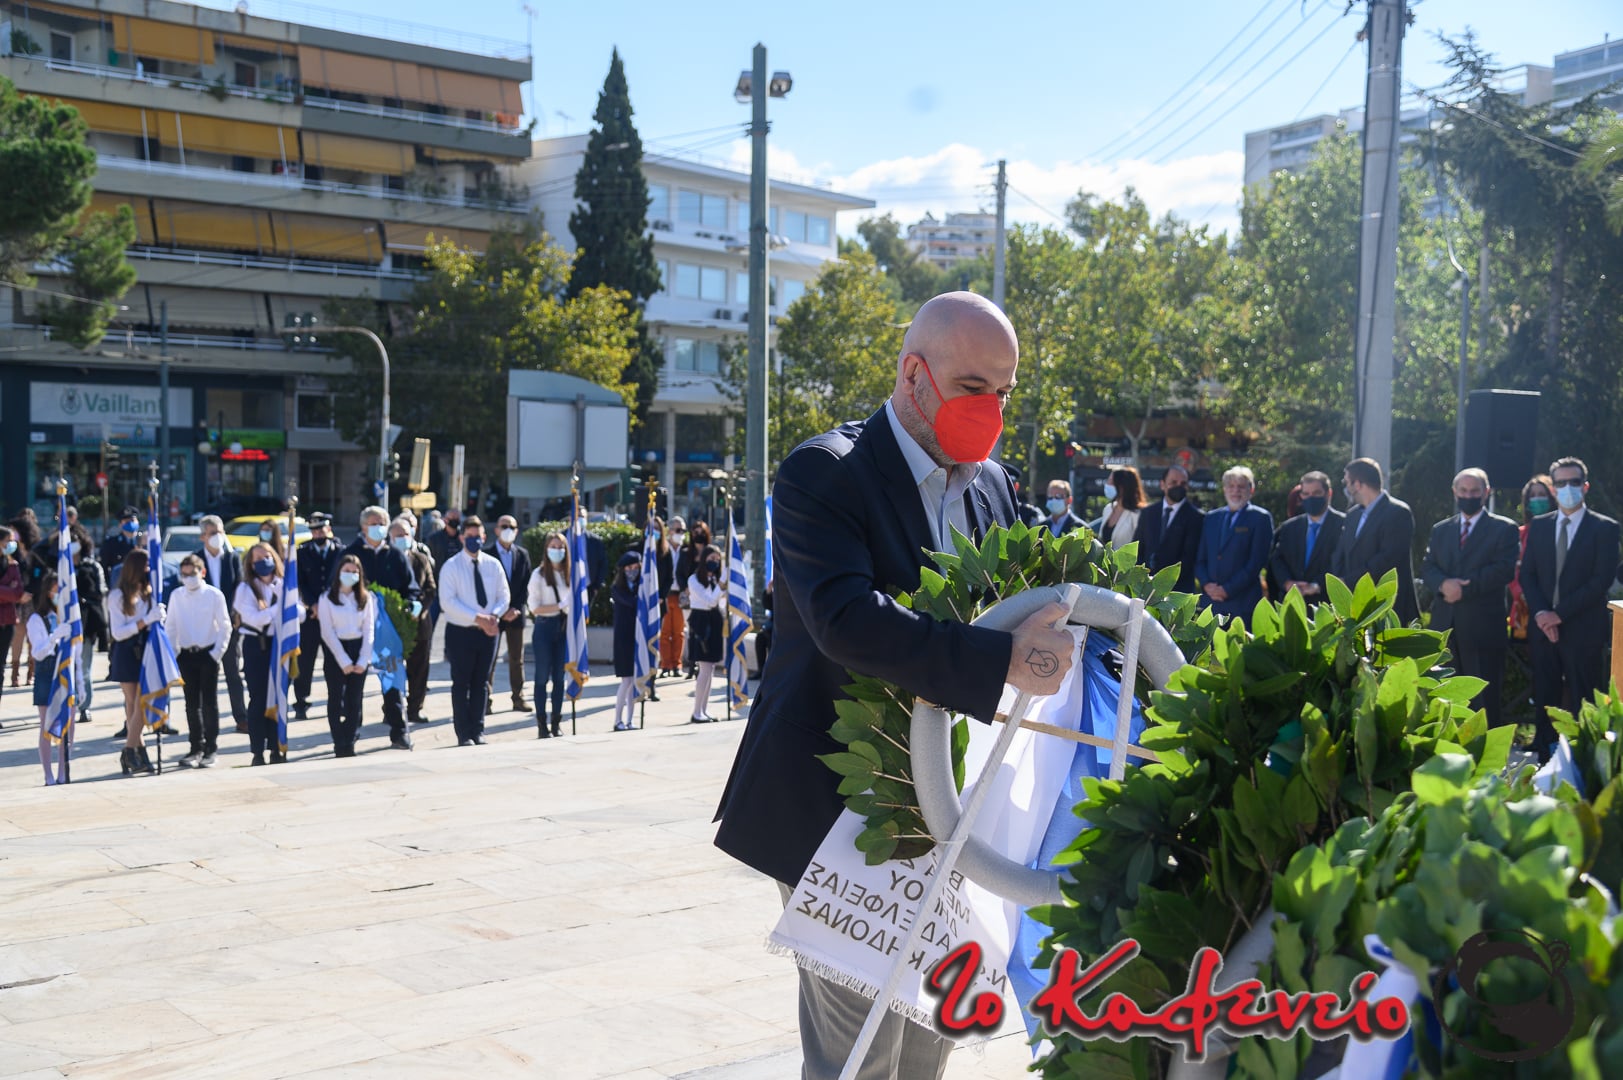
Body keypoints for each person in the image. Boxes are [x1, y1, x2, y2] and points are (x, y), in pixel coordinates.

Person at [711, 291, 1075, 1080]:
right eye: (973, 387)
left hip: (949, 812)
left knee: (924, 1042)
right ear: (914, 374)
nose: (990, 410)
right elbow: (846, 621)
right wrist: (998, 661)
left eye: (1004, 392)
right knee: (859, 1053)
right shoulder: (824, 473)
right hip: (834, 809)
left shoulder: (992, 485)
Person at [1519, 457, 1621, 760]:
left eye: (1573, 482)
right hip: (1543, 630)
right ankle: (1545, 762)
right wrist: (1542, 614)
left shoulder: (1604, 528)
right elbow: (1528, 575)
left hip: (1583, 630)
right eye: (1560, 483)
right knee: (1545, 698)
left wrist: (1558, 614)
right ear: (1553, 488)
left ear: (1585, 486)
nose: (1567, 488)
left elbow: (1600, 580)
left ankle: (1583, 761)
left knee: (1583, 700)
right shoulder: (1540, 526)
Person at [1420, 468, 1519, 728]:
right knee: (1444, 696)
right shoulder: (1441, 530)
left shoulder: (1504, 529)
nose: (1468, 496)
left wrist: (1465, 588)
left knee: (1483, 700)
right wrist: (1443, 584)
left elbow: (1504, 570)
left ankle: (1484, 749)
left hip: (1483, 628)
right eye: (1463, 491)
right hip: (1445, 625)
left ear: (1486, 493)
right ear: (1455, 492)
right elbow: (1428, 567)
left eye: (1475, 491)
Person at [344, 505, 419, 747]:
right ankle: (350, 734)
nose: (379, 528)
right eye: (374, 523)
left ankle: (399, 730)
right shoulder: (351, 554)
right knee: (354, 685)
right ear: (364, 527)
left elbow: (411, 587)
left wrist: (412, 604)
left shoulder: (395, 555)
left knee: (392, 680)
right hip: (357, 630)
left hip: (388, 633)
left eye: (382, 523)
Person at [439, 516, 508, 746]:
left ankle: (478, 730)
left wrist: (494, 616)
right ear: (461, 538)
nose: (474, 540)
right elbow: (448, 602)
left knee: (481, 682)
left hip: (488, 632)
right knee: (461, 683)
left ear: (484, 537)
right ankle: (463, 733)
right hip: (461, 632)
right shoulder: (451, 567)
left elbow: (503, 595)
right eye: (469, 536)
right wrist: (478, 618)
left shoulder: (493, 565)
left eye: (477, 536)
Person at [234, 542, 300, 766]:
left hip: (280, 646)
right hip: (256, 647)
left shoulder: (283, 584)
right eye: (258, 559)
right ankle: (257, 751)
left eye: (267, 556)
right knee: (259, 699)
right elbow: (255, 619)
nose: (264, 562)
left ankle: (277, 747)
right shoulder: (245, 589)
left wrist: (283, 603)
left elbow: (299, 613)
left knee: (279, 697)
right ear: (251, 564)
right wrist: (280, 608)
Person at [1331, 457, 1419, 625]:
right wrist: (1339, 582)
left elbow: (1388, 559)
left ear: (1358, 484)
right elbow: (1340, 553)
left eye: (1347, 482)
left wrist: (1349, 581)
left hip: (1386, 605)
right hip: (1354, 605)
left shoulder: (1398, 513)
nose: (1346, 488)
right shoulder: (1352, 515)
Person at [168, 554, 232, 768]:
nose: (188, 578)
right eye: (184, 574)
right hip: (186, 654)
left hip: (208, 653)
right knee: (191, 703)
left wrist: (216, 653)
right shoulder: (177, 595)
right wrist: (174, 654)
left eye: (192, 573)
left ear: (202, 572)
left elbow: (225, 626)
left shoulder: (214, 595)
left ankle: (211, 747)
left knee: (209, 703)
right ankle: (196, 746)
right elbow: (171, 626)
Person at [1195, 466, 1273, 622]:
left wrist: (1227, 590)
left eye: (1241, 486)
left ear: (1251, 490)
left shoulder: (1260, 518)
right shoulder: (1211, 518)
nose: (1235, 491)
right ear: (1224, 489)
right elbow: (1200, 559)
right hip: (1211, 604)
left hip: (1242, 604)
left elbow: (1256, 562)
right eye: (1231, 486)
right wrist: (1206, 584)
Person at [109, 549, 163, 776]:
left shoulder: (150, 593)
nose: (149, 569)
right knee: (132, 702)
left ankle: (130, 750)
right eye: (146, 565)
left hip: (147, 650)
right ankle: (137, 751)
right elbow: (118, 632)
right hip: (127, 650)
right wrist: (144, 621)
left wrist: (158, 619)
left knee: (142, 701)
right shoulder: (117, 596)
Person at [318, 554, 374, 758]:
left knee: (354, 699)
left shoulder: (366, 598)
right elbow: (327, 631)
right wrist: (343, 660)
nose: (350, 575)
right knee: (335, 698)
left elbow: (369, 630)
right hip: (336, 650)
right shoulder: (327, 598)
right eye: (346, 571)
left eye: (354, 572)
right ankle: (338, 741)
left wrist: (363, 660)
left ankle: (349, 742)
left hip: (358, 648)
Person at [196, 516, 247, 733]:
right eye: (212, 533)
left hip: (229, 626)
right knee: (205, 677)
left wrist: (236, 613)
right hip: (205, 628)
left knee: (233, 673)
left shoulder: (232, 558)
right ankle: (205, 723)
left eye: (220, 532)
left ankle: (241, 718)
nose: (218, 537)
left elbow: (240, 587)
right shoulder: (196, 560)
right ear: (203, 537)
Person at [1268, 470, 1344, 608]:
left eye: (1316, 493)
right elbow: (1277, 559)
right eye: (1306, 494)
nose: (1311, 498)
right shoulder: (1289, 527)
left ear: (1328, 493)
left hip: (1327, 604)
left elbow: (1343, 562)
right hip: (1293, 602)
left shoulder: (1344, 525)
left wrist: (1317, 585)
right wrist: (1287, 583)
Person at [293, 512, 343, 720]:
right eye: (314, 531)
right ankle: (301, 701)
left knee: (334, 660)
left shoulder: (340, 551)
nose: (318, 534)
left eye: (321, 530)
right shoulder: (302, 552)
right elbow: (299, 582)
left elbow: (341, 580)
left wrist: (326, 606)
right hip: (311, 615)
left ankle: (337, 700)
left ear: (329, 529)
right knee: (305, 661)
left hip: (333, 614)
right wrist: (313, 604)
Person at [390, 517, 436, 731]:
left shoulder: (421, 559)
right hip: (393, 625)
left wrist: (420, 609)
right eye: (398, 535)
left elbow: (430, 588)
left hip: (419, 623)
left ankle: (415, 708)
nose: (403, 538)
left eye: (406, 534)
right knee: (392, 669)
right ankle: (391, 709)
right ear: (391, 538)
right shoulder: (386, 558)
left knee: (419, 668)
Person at [26, 573, 73, 784]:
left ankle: (63, 770)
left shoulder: (68, 617)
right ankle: (48, 774)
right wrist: (54, 637)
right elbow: (38, 652)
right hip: (46, 673)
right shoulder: (37, 619)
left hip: (64, 672)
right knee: (46, 725)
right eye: (55, 590)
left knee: (66, 726)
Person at [485, 514, 533, 714]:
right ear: (496, 529)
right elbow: (486, 586)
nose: (508, 530)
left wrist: (515, 607)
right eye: (504, 526)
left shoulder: (522, 555)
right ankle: (485, 700)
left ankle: (518, 698)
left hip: (515, 614)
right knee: (489, 658)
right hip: (494, 614)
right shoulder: (487, 555)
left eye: (512, 527)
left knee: (516, 659)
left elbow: (526, 585)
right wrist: (501, 610)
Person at [527, 530, 571, 738]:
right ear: (546, 549)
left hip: (563, 628)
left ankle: (556, 722)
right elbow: (534, 607)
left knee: (560, 679)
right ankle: (541, 724)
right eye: (553, 547)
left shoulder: (569, 573)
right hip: (545, 626)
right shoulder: (539, 574)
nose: (557, 551)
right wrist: (559, 605)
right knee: (542, 677)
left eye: (561, 547)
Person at [1136, 464, 1203, 593]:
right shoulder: (1148, 513)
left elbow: (1189, 558)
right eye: (1173, 482)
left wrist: (1164, 582)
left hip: (1177, 590)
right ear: (1163, 484)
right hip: (1145, 588)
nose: (1179, 486)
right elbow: (1139, 548)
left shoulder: (1196, 517)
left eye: (1183, 483)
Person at [1508, 475, 1554, 641]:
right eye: (1532, 496)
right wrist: (1521, 592)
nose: (1537, 499)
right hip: (1524, 609)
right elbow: (1512, 569)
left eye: (1542, 494)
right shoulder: (1519, 534)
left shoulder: (1562, 531)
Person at [686, 544, 726, 725]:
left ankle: (703, 709)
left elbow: (720, 603)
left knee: (710, 668)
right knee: (704, 667)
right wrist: (722, 585)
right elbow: (710, 601)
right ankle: (697, 711)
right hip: (701, 623)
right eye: (711, 559)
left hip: (714, 620)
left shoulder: (715, 580)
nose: (714, 562)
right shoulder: (694, 580)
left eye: (717, 560)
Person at [610, 551, 644, 732]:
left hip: (637, 638)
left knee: (634, 682)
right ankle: (618, 720)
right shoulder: (617, 589)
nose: (633, 571)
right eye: (629, 568)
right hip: (623, 640)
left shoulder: (641, 586)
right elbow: (632, 603)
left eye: (636, 567)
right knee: (627, 681)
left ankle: (630, 720)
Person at [7, 510, 42, 687]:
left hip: (33, 599)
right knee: (17, 636)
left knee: (33, 637)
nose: (13, 535)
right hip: (17, 600)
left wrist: (30, 592)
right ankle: (15, 673)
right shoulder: (10, 553)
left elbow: (40, 574)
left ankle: (31, 671)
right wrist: (17, 594)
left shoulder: (36, 551)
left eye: (15, 531)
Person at [676, 521, 713, 677]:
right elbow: (679, 573)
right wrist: (685, 587)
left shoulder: (710, 552)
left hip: (706, 597)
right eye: (695, 532)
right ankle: (692, 664)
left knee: (704, 631)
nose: (698, 535)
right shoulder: (685, 553)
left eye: (701, 532)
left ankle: (703, 661)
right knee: (691, 631)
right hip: (690, 597)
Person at [0, 525, 27, 723]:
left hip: (7, 621)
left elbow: (18, 593)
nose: (12, 544)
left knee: (1, 668)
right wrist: (7, 590)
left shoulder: (12, 564)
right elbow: (13, 592)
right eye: (8, 540)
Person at [659, 516, 687, 678]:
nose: (680, 533)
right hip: (665, 595)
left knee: (679, 632)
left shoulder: (685, 550)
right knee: (664, 632)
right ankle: (665, 665)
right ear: (669, 531)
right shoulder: (663, 548)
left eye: (683, 530)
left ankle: (677, 664)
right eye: (678, 530)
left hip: (680, 595)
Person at [1090, 467, 1144, 549]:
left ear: (1122, 486)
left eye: (1111, 481)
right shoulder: (1108, 509)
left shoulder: (1138, 514)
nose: (1107, 484)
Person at [98, 506, 141, 584]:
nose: (130, 524)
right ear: (120, 525)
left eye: (132, 520)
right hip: (120, 585)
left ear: (138, 522)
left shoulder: (144, 541)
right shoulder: (111, 544)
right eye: (126, 522)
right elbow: (103, 567)